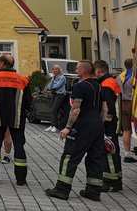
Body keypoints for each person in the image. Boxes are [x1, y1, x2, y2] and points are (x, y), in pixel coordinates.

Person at [45, 60, 107, 202]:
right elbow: (104, 109)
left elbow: (76, 109)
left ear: (84, 71)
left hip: (82, 126)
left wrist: (67, 127)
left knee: (69, 156)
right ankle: (94, 190)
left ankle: (62, 189)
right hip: (97, 125)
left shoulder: (80, 86)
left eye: (78, 67)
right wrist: (99, 125)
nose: (76, 69)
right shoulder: (99, 86)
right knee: (95, 157)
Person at [0, 53, 31, 185]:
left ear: (3, 63)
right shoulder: (23, 79)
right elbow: (28, 102)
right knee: (19, 146)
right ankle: (21, 179)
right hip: (17, 118)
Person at [94, 60, 122, 192]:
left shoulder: (105, 84)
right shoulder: (111, 81)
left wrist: (103, 122)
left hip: (109, 124)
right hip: (113, 122)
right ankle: (116, 180)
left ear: (99, 71)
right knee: (113, 151)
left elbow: (108, 106)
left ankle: (111, 181)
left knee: (109, 151)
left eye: (95, 72)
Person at [118, 59, 136, 163]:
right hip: (133, 103)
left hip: (123, 103)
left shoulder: (120, 76)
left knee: (126, 129)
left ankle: (127, 154)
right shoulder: (134, 76)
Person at [45, 65, 68, 133]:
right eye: (53, 69)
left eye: (56, 69)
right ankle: (52, 125)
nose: (54, 71)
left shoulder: (62, 77)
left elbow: (57, 86)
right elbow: (49, 86)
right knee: (52, 110)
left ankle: (55, 126)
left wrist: (51, 87)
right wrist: (52, 81)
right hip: (54, 94)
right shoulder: (53, 77)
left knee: (54, 110)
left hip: (60, 94)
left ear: (59, 70)